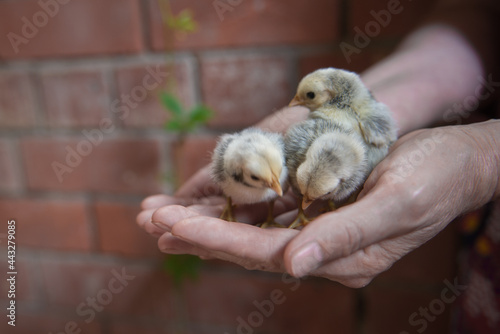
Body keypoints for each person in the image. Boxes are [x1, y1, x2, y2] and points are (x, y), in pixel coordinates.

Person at [137, 0, 500, 332]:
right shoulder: (299, 140)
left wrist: (483, 156)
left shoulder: (342, 158)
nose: (296, 106)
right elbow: (479, 17)